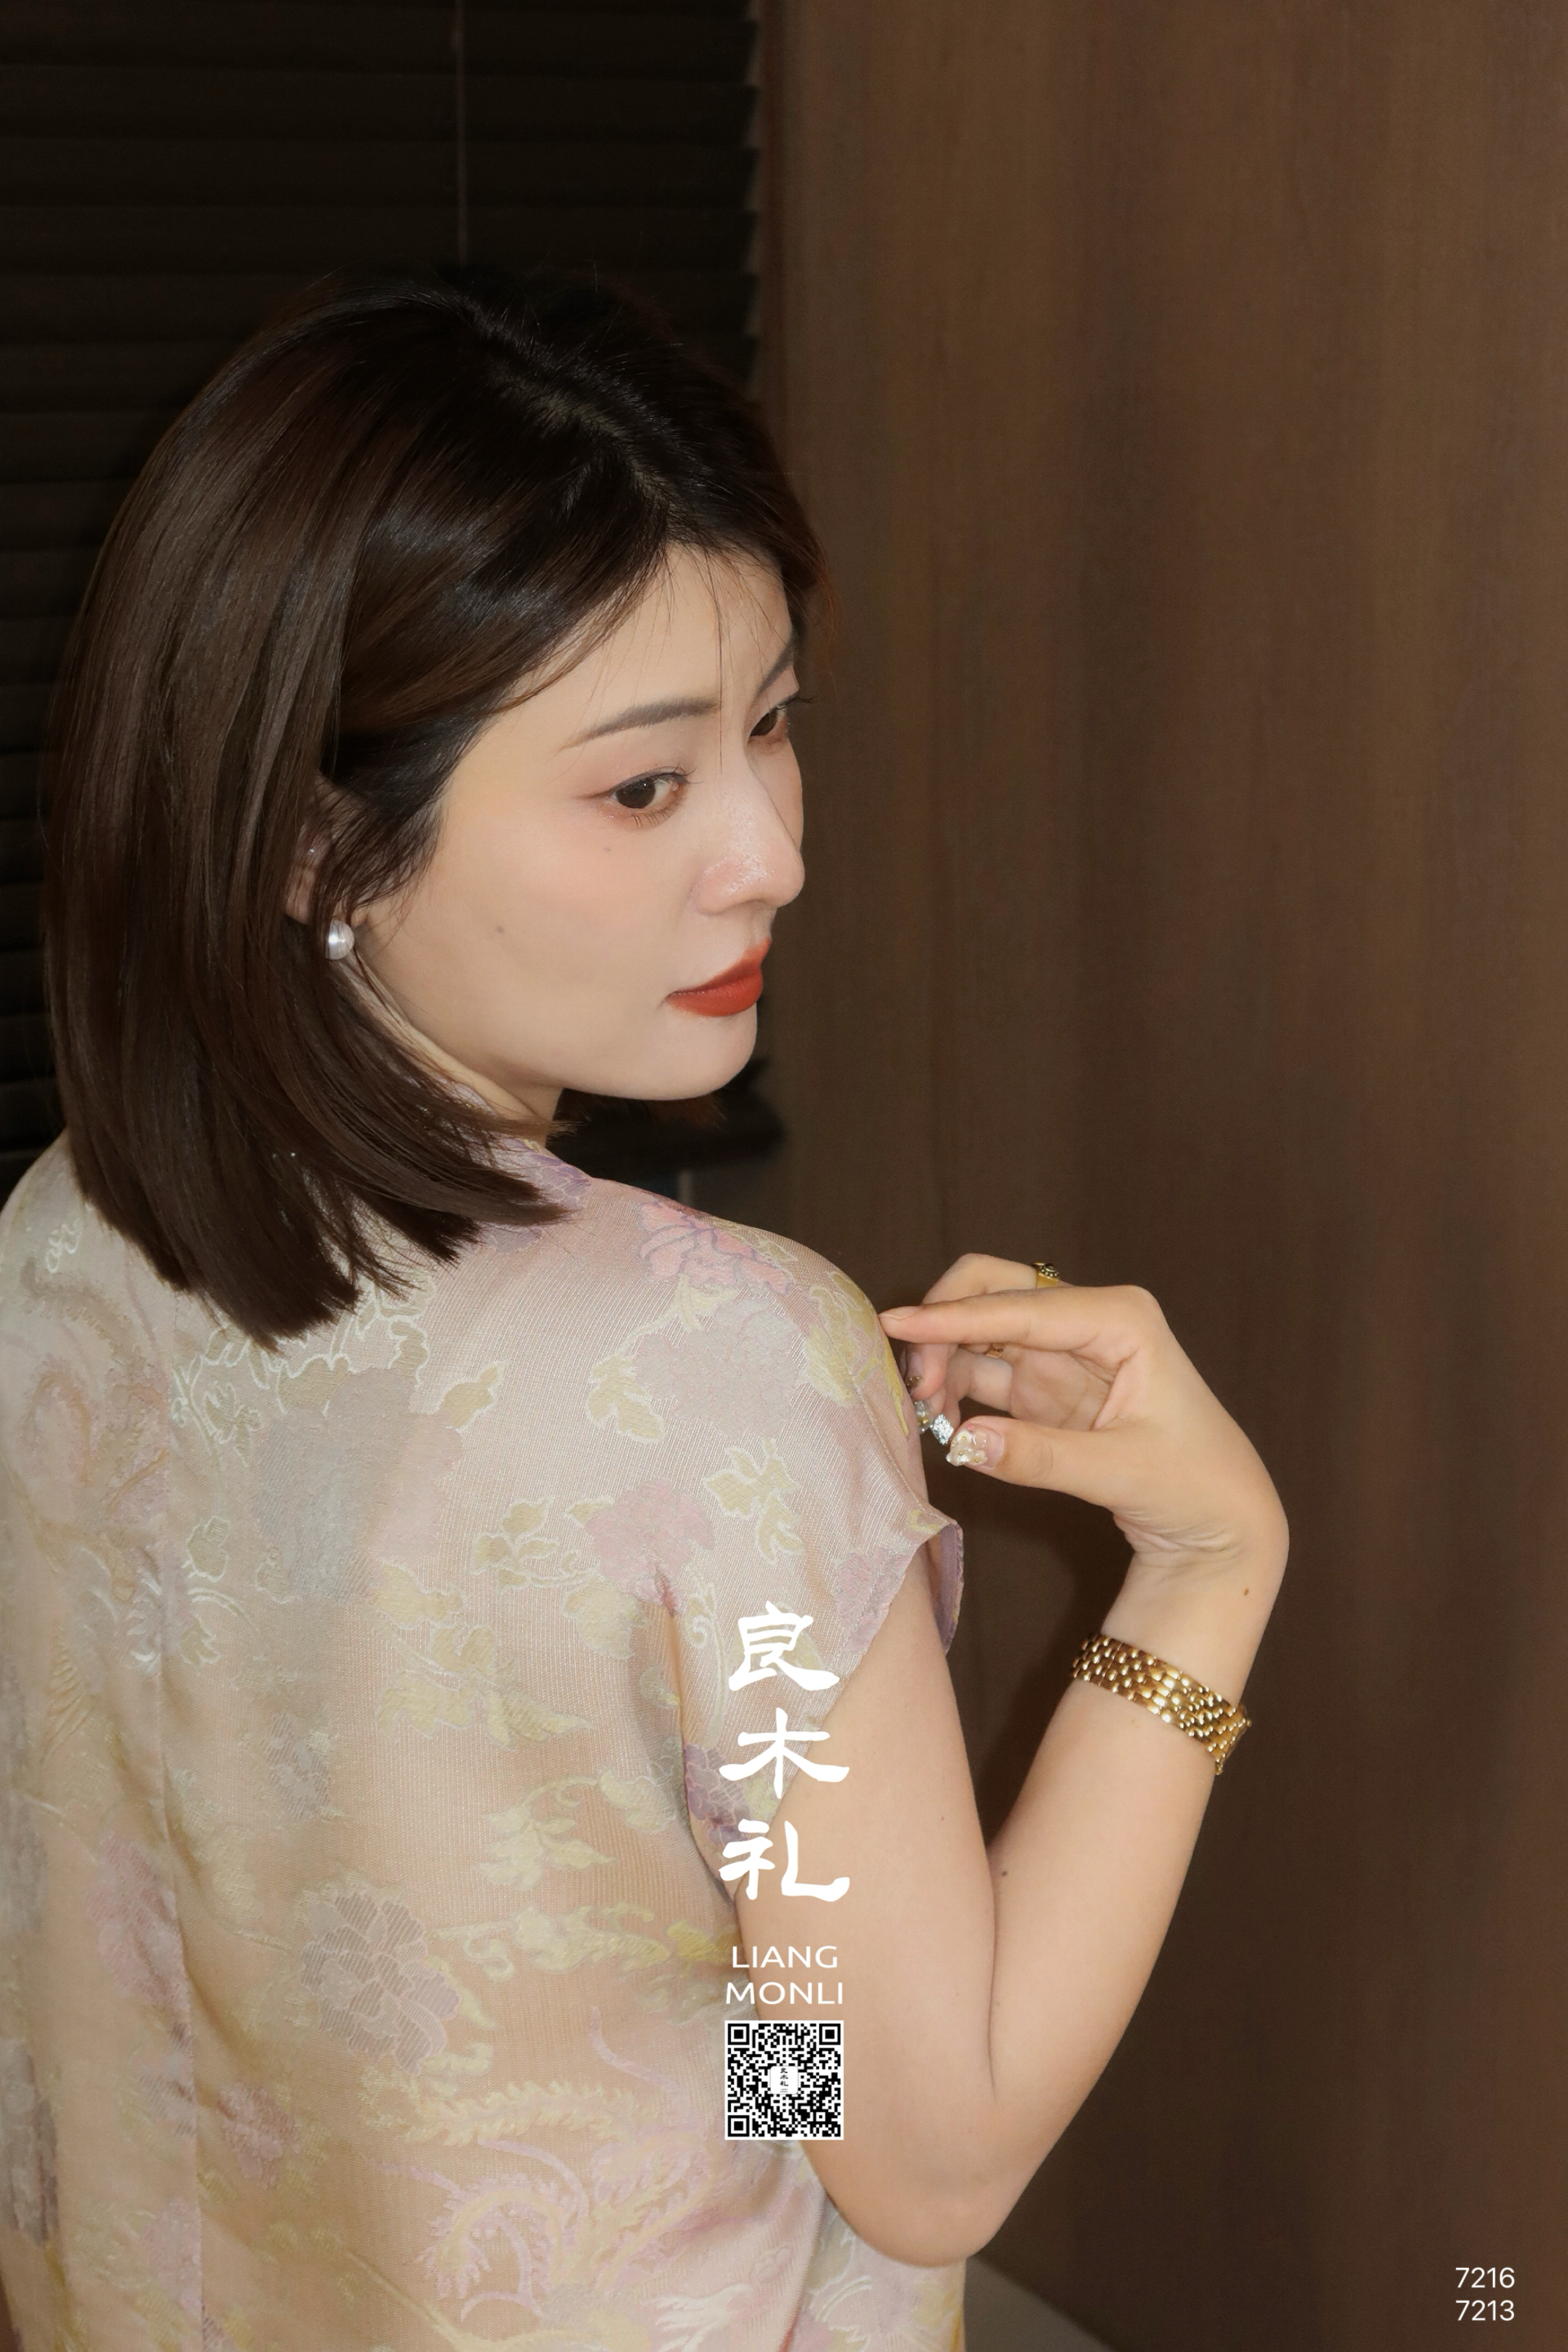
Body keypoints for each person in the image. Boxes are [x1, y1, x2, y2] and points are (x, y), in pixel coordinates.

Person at [0, 277, 1287, 2352]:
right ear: (322, 846)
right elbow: (920, 2152)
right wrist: (1205, 1575)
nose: (771, 855)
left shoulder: (61, 1237)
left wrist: (762, 2000)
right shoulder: (714, 1368)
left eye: (770, 722)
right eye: (641, 788)